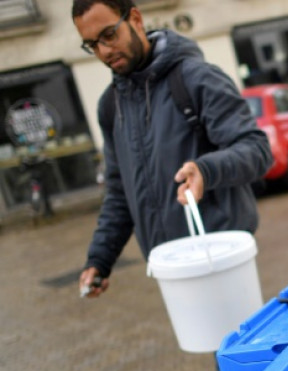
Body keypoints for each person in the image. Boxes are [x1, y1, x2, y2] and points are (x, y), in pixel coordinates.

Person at [72, 0, 272, 297]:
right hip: (171, 266)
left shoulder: (196, 78)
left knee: (237, 342)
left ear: (136, 19)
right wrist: (100, 259)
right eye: (91, 45)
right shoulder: (110, 106)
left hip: (222, 257)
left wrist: (206, 170)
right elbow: (119, 191)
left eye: (109, 35)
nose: (103, 51)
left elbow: (256, 149)